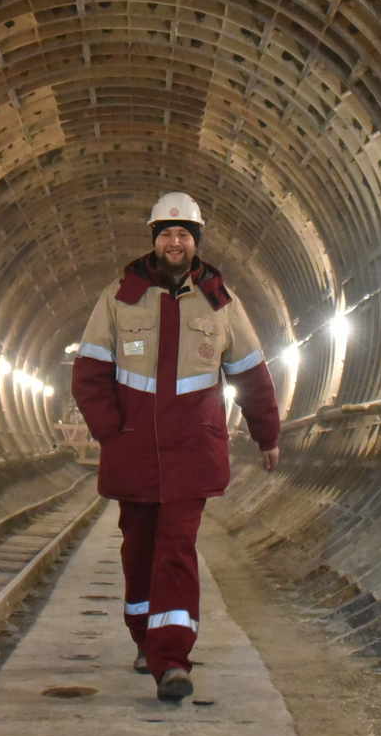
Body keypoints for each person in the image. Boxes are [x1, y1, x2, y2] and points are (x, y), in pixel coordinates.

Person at [70, 191, 281, 702]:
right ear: (153, 240)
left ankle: (173, 660)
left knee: (177, 551)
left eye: (184, 234)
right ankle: (145, 638)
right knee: (138, 550)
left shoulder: (220, 302)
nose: (175, 241)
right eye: (166, 233)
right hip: (135, 452)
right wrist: (111, 433)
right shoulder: (118, 298)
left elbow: (252, 374)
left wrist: (266, 434)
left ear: (196, 242)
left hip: (192, 452)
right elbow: (90, 374)